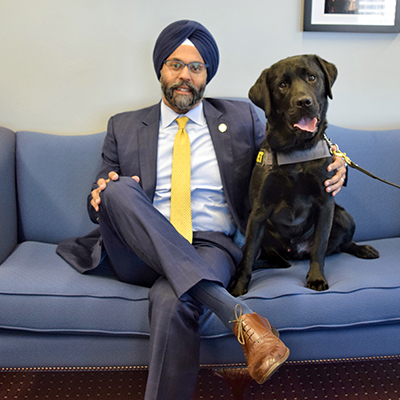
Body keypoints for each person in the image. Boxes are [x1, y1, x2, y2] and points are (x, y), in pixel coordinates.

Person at [58, 20, 346, 400]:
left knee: (172, 299)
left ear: (207, 74)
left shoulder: (240, 117)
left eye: (196, 67)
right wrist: (99, 197)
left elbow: (291, 143)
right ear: (160, 68)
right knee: (116, 191)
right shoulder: (123, 126)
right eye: (175, 64)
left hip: (209, 247)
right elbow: (99, 201)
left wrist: (337, 160)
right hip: (136, 250)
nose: (185, 76)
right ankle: (238, 317)